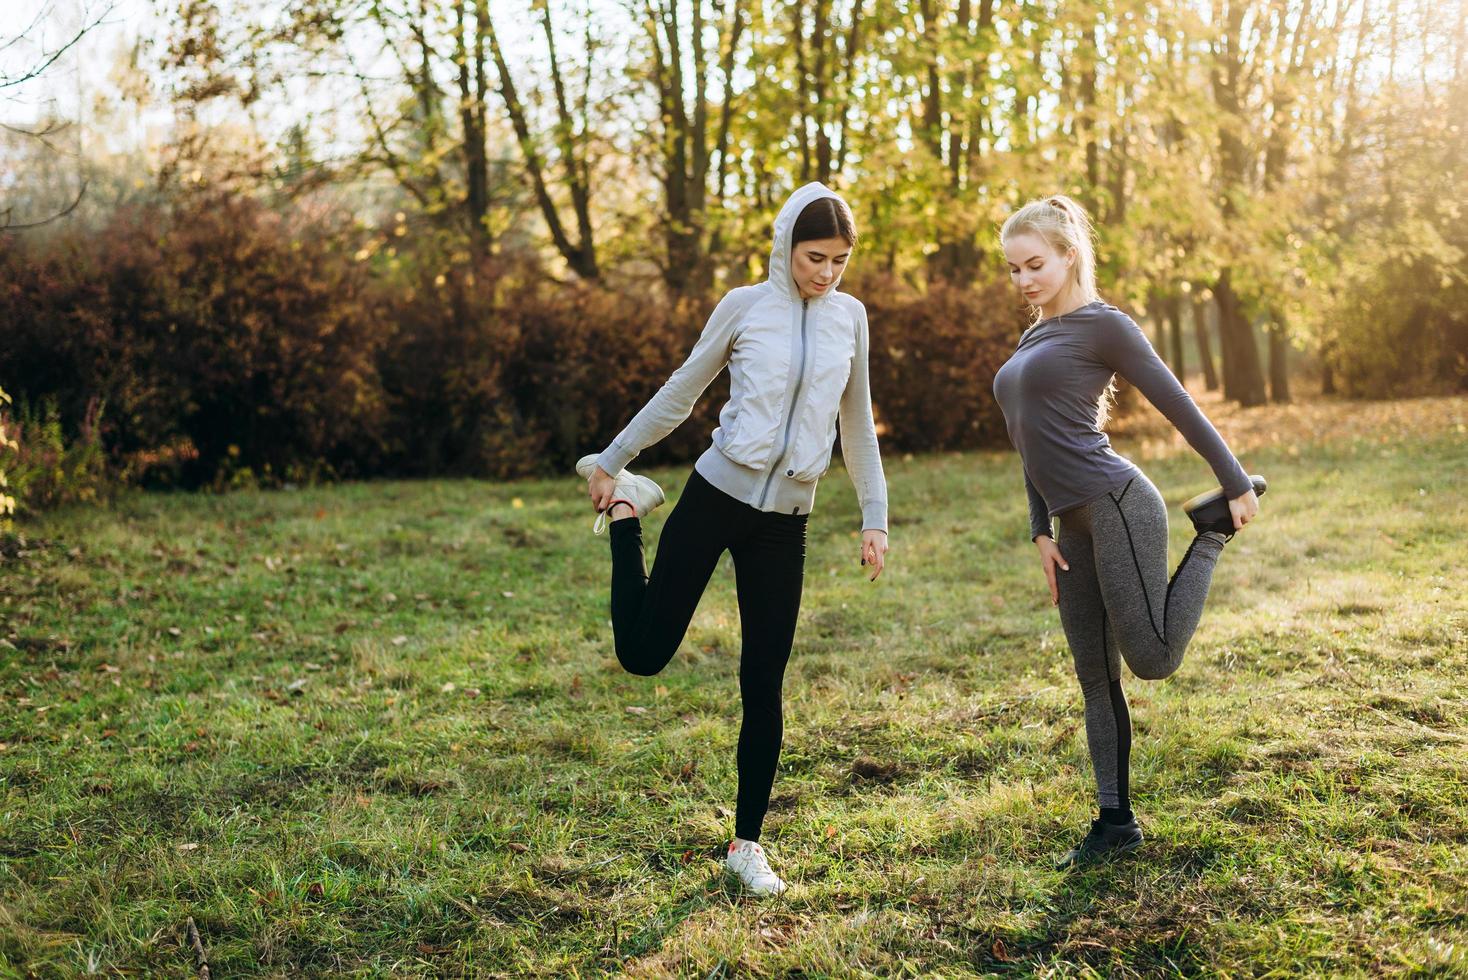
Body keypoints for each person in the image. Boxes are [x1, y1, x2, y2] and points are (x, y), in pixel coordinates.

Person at [575, 182, 889, 895]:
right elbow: (683, 389)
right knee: (644, 653)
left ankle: (747, 845)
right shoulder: (745, 307)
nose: (827, 273)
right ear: (786, 245)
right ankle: (628, 515)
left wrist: (875, 517)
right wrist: (611, 461)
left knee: (764, 680)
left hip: (786, 523)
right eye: (816, 257)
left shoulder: (850, 317)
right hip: (715, 496)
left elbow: (857, 424)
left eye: (840, 260)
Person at [991, 195, 1267, 868]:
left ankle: (1208, 536)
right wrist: (1039, 530)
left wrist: (1233, 482)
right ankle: (1115, 823)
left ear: (1069, 256)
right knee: (1094, 677)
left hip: (1116, 501)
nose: (1023, 281)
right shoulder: (1033, 339)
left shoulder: (1104, 326)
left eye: (1034, 265)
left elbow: (1176, 400)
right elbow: (1027, 439)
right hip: (1069, 524)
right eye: (1013, 270)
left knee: (1152, 659)